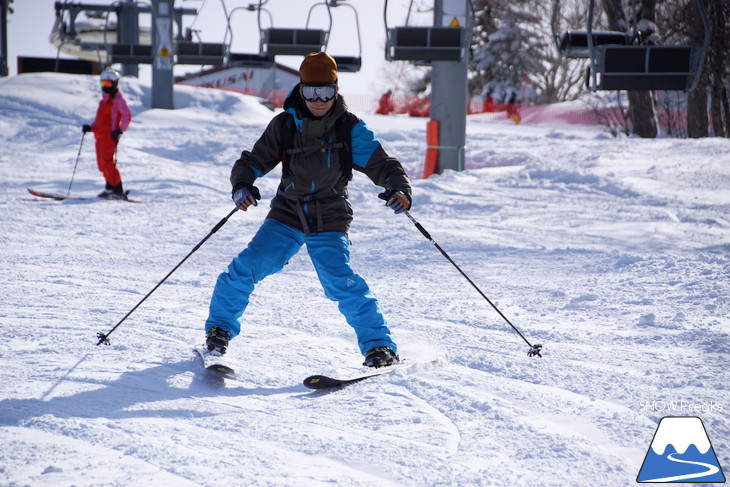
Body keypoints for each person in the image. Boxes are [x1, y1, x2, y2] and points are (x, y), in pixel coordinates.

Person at [204, 51, 412, 368]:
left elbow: (382, 164)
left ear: (336, 90)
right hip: (287, 213)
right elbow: (251, 162)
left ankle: (379, 347)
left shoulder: (349, 128)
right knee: (246, 268)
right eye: (311, 91)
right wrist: (243, 185)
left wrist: (398, 186)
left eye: (326, 91)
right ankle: (219, 330)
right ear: (301, 90)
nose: (319, 100)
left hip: (330, 215)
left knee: (341, 282)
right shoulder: (285, 126)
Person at [82, 68, 132, 199]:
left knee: (107, 163)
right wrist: (91, 128)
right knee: (101, 165)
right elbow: (100, 121)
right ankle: (109, 189)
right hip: (99, 136)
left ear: (115, 84)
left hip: (109, 136)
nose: (105, 87)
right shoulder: (103, 101)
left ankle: (118, 190)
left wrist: (120, 130)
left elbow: (127, 115)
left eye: (108, 84)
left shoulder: (118, 100)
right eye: (103, 84)